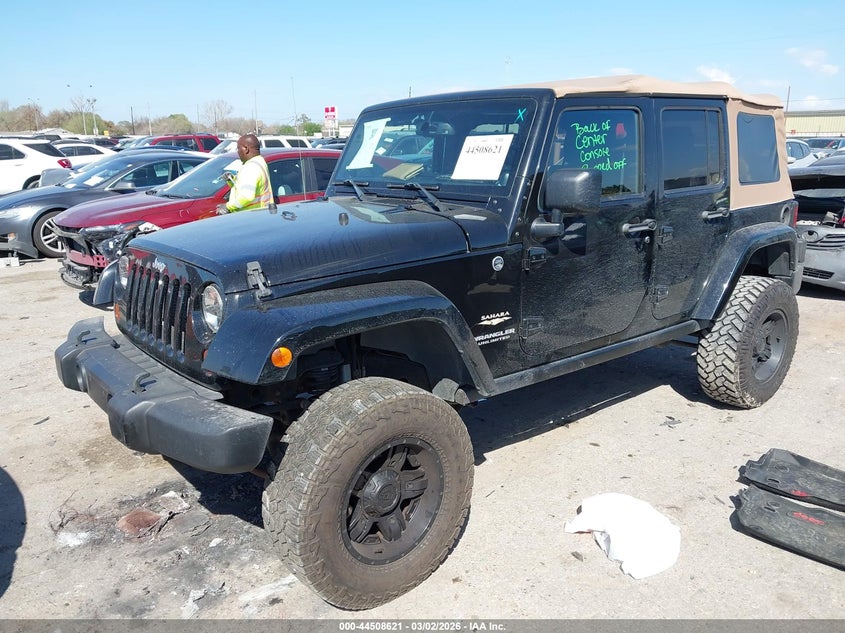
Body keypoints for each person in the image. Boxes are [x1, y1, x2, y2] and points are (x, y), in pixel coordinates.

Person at [218, 134, 272, 213]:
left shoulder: (250, 167)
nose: (237, 152)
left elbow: (247, 196)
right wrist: (231, 180)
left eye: (238, 148)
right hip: (261, 213)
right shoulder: (260, 162)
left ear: (246, 149)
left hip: (249, 215)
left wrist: (228, 206)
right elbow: (248, 187)